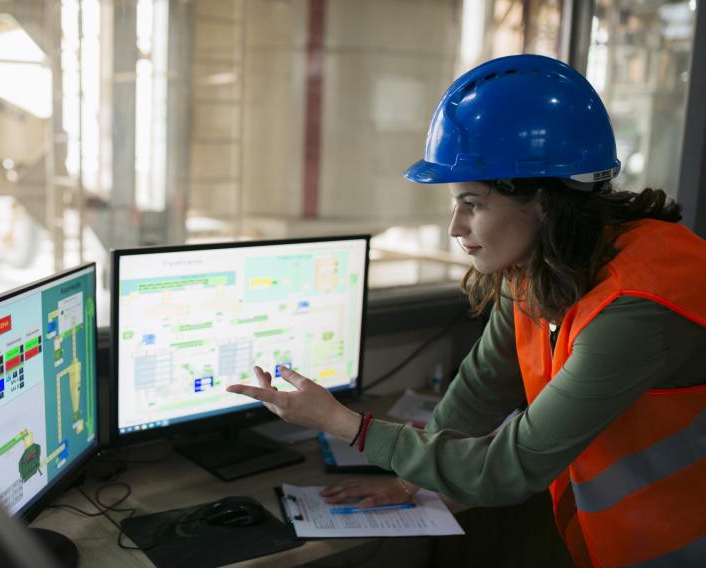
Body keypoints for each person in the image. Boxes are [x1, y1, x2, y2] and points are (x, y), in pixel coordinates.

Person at [227, 54, 706, 567]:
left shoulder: (637, 305)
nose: (455, 227)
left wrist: (348, 425)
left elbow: (510, 467)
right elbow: (482, 386)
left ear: (543, 202)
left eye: (472, 204)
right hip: (624, 537)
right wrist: (410, 480)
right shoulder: (543, 265)